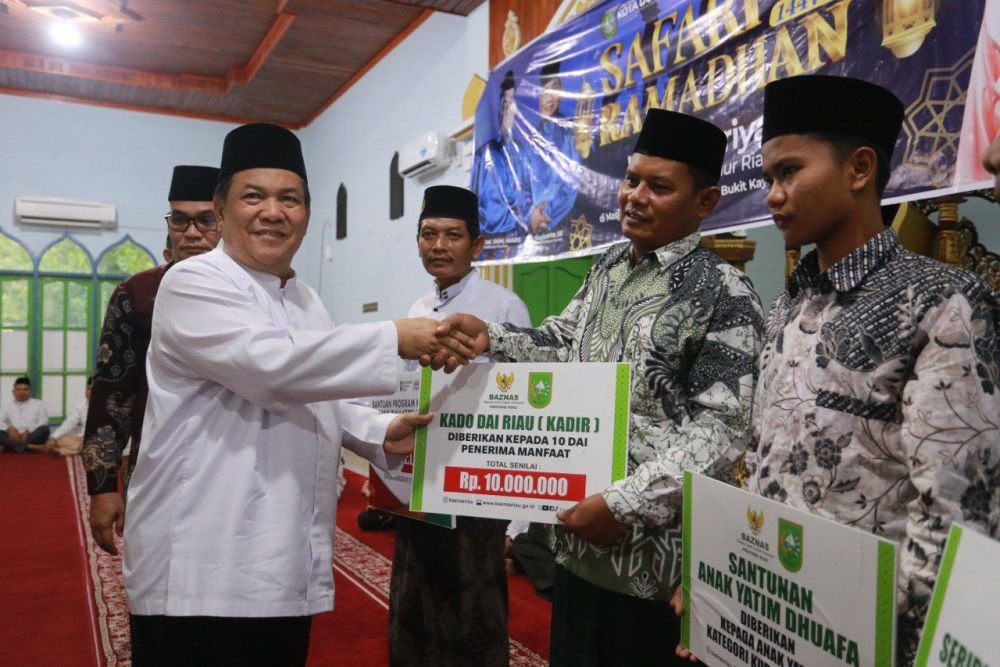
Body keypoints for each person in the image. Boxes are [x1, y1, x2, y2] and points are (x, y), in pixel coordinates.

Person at [123, 123, 471, 667]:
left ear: (307, 214)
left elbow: (316, 388)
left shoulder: (306, 299)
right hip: (199, 563)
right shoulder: (194, 283)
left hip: (281, 560)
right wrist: (394, 338)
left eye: (289, 199)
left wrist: (380, 430)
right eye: (253, 196)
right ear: (221, 210)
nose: (273, 212)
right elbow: (272, 368)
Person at [435, 109, 764, 666]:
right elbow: (562, 342)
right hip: (577, 542)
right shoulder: (609, 266)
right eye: (632, 180)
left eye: (659, 187)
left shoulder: (724, 293)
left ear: (705, 201)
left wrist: (623, 504)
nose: (635, 197)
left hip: (656, 566)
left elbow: (725, 429)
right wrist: (492, 336)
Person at [742, 74, 999, 665]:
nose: (773, 196)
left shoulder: (944, 301)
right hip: (772, 617)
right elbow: (759, 457)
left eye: (789, 172)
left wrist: (887, 640)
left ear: (859, 169)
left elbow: (953, 513)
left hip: (862, 633)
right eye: (768, 178)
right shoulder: (789, 303)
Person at [389, 185, 531, 667]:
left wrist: (516, 519)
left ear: (477, 245)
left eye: (452, 235)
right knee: (414, 603)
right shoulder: (416, 309)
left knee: (473, 614)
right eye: (428, 234)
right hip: (422, 479)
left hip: (477, 485)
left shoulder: (503, 307)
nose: (438, 245)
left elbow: (520, 411)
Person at [82, 164, 221, 556]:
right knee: (157, 574)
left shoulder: (257, 293)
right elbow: (112, 394)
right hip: (157, 466)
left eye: (206, 220)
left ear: (227, 222)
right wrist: (103, 486)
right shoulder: (137, 294)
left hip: (236, 469)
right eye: (180, 219)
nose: (191, 232)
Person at [521, 60, 579, 257]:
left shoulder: (570, 131)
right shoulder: (531, 141)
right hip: (535, 231)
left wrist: (548, 213)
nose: (549, 98)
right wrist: (531, 215)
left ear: (561, 92)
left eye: (554, 89)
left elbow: (575, 181)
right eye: (544, 91)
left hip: (563, 227)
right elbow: (523, 187)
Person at [472, 70, 530, 257]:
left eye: (511, 102)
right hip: (488, 247)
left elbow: (529, 198)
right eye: (504, 102)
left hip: (519, 246)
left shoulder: (525, 154)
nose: (507, 109)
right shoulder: (484, 156)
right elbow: (475, 203)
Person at [0, 377, 50, 453]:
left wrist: (28, 432)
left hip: (31, 435)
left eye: (25, 389)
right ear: (13, 392)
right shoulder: (5, 405)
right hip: (13, 436)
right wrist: (9, 428)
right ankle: (31, 447)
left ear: (30, 391)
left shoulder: (39, 404)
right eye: (19, 389)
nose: (22, 392)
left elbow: (43, 422)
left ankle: (10, 447)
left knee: (45, 429)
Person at [46, 375, 92, 456]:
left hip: (97, 440)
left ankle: (61, 451)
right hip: (81, 438)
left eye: (93, 389)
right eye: (88, 389)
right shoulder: (81, 406)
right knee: (59, 440)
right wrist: (53, 437)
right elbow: (69, 423)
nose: (90, 392)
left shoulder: (106, 407)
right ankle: (76, 448)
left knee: (88, 445)